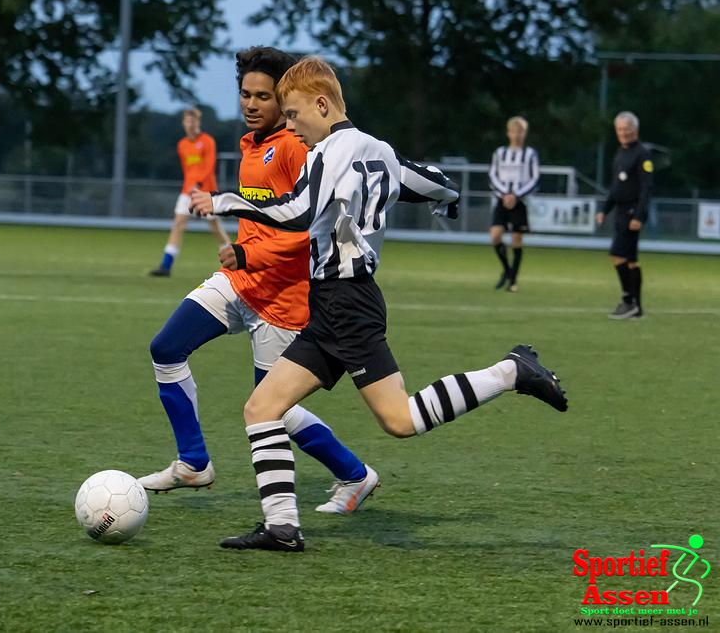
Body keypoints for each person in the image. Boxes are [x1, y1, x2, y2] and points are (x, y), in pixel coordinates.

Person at [191, 56, 568, 552]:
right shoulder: (379, 150)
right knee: (262, 407)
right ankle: (282, 527)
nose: (290, 125)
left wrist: (223, 202)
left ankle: (511, 372)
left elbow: (295, 213)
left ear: (322, 104)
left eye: (295, 114)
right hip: (335, 305)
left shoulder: (325, 153)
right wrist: (448, 199)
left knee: (400, 420)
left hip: (347, 304)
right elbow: (428, 179)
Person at [138, 47, 380, 516]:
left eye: (263, 97)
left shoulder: (295, 148)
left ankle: (355, 473)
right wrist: (242, 255)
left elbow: (307, 229)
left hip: (285, 300)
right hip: (239, 282)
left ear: (283, 100)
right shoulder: (252, 146)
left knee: (276, 410)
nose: (251, 104)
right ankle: (193, 462)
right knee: (166, 348)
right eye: (245, 94)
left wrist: (250, 251)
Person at [149, 108, 229, 277]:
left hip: (206, 192)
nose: (190, 125)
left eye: (193, 121)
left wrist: (198, 184)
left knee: (214, 227)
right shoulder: (182, 145)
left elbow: (209, 167)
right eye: (187, 121)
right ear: (184, 123)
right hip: (188, 192)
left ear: (198, 122)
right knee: (178, 224)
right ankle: (166, 266)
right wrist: (190, 186)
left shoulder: (207, 141)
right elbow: (187, 170)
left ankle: (234, 260)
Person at [595, 111, 653, 320]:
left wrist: (639, 215)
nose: (623, 132)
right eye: (619, 129)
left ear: (635, 129)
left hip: (632, 212)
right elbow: (615, 187)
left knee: (618, 254)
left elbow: (646, 188)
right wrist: (604, 209)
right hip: (620, 211)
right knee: (629, 260)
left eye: (627, 129)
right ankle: (635, 306)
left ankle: (629, 301)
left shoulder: (642, 153)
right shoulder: (620, 152)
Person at [488, 116, 540, 291]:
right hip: (502, 199)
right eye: (514, 131)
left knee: (517, 239)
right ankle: (507, 270)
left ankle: (513, 281)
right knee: (495, 235)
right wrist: (505, 194)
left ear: (524, 134)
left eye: (520, 132)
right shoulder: (500, 153)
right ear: (508, 133)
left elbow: (534, 178)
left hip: (520, 202)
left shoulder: (530, 154)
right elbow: (493, 175)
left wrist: (515, 195)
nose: (517, 135)